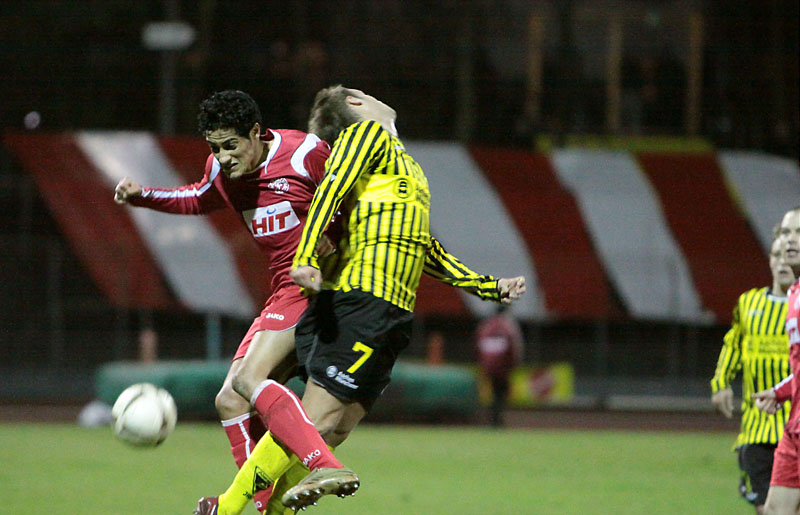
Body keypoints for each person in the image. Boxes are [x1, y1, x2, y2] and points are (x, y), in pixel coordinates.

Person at [201, 84, 526, 514]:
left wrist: (486, 286)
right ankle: (229, 508)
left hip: (394, 314)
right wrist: (306, 255)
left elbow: (420, 245)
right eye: (365, 93)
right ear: (355, 104)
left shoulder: (403, 164)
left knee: (333, 429)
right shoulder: (366, 134)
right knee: (315, 421)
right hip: (359, 300)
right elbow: (329, 192)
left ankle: (267, 507)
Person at [113, 89, 352, 515]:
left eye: (231, 145)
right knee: (232, 400)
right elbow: (196, 198)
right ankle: (267, 504)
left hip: (321, 288)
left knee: (247, 382)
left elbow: (354, 198)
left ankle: (309, 473)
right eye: (214, 147)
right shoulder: (222, 172)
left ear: (256, 133)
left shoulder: (306, 153)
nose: (223, 157)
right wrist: (142, 195)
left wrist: (336, 241)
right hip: (285, 291)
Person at [711, 233, 793, 513]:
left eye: (788, 255)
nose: (782, 262)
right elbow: (733, 345)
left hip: (794, 428)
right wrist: (721, 383)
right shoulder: (749, 304)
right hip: (757, 431)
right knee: (767, 509)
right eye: (776, 255)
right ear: (769, 260)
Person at [751, 206, 800, 514]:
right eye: (785, 232)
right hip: (795, 426)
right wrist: (780, 391)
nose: (790, 239)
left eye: (799, 232)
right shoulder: (794, 292)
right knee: (774, 510)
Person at [476, 305, 524, 427]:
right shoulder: (508, 327)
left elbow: (478, 346)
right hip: (503, 368)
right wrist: (514, 365)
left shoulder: (486, 326)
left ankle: (493, 418)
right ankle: (497, 419)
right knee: (500, 394)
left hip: (488, 366)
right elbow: (515, 348)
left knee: (494, 393)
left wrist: (481, 364)